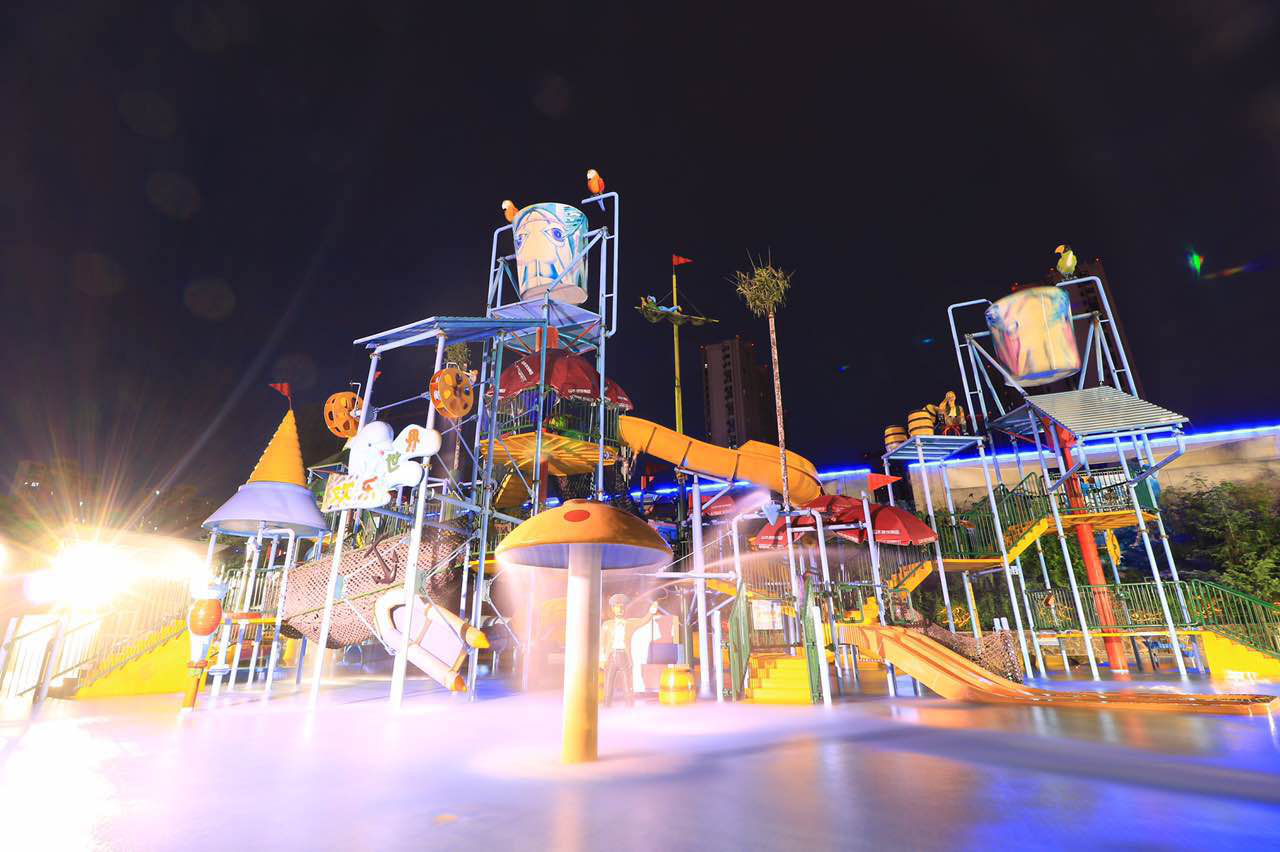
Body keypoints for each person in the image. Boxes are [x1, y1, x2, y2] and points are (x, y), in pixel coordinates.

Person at [600, 594, 658, 707]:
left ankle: (629, 705)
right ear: (613, 609)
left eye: (622, 607)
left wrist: (652, 611)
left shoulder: (630, 623)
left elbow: (643, 621)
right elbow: (602, 643)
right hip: (611, 656)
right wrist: (602, 659)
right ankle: (607, 705)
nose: (620, 609)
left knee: (628, 684)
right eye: (617, 607)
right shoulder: (607, 625)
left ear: (625, 608)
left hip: (624, 656)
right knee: (608, 683)